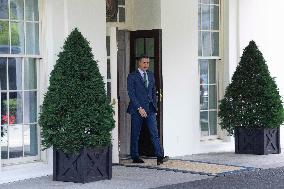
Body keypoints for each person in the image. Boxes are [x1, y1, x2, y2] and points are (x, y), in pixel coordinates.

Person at [127, 54, 169, 165]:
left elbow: (153, 91)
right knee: (135, 134)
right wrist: (139, 108)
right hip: (137, 109)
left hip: (150, 109)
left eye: (148, 63)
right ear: (139, 63)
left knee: (154, 133)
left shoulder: (150, 75)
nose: (146, 65)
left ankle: (160, 156)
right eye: (144, 62)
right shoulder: (132, 76)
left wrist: (154, 107)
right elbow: (131, 94)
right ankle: (135, 156)